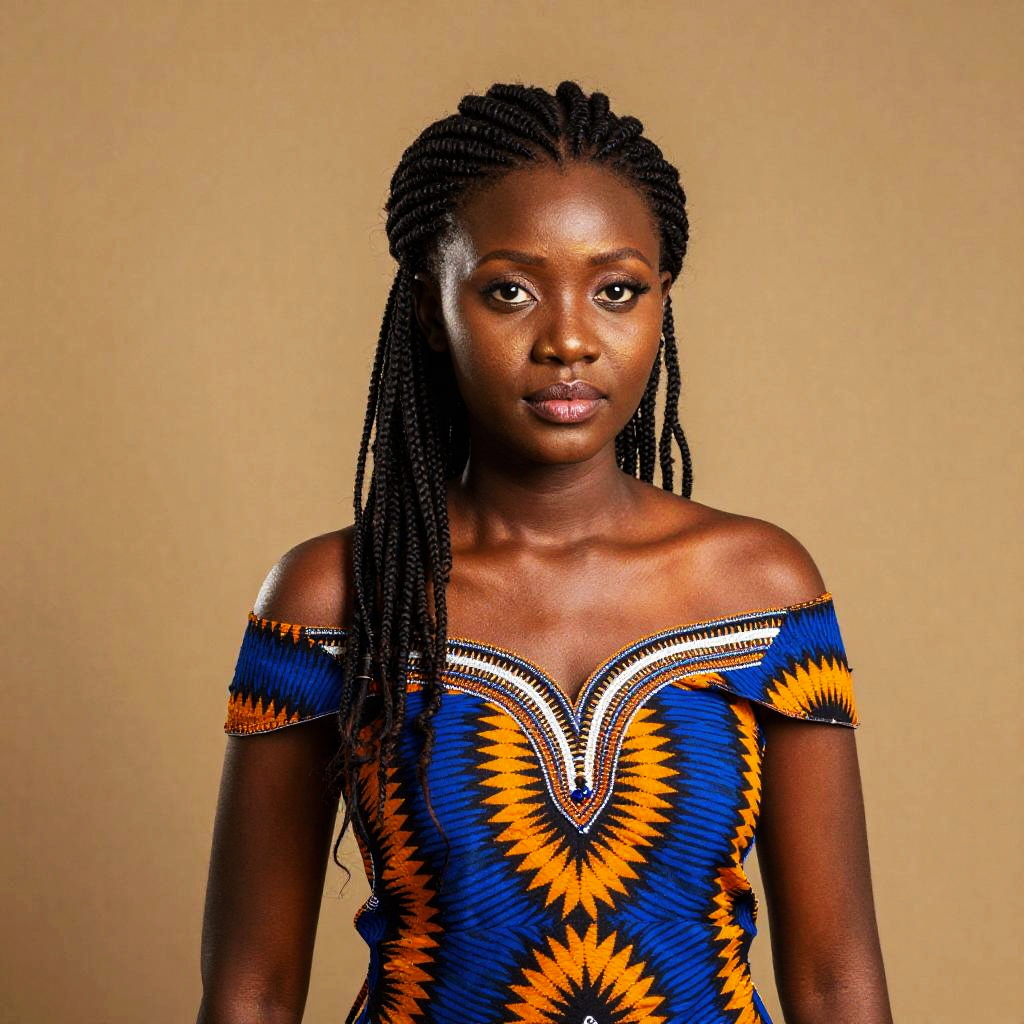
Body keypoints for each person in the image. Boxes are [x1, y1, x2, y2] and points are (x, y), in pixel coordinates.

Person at [198, 80, 892, 1024]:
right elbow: (253, 989)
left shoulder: (761, 587)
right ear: (430, 309)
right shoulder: (336, 596)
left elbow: (836, 979)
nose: (568, 339)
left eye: (617, 290)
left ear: (661, 303)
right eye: (510, 290)